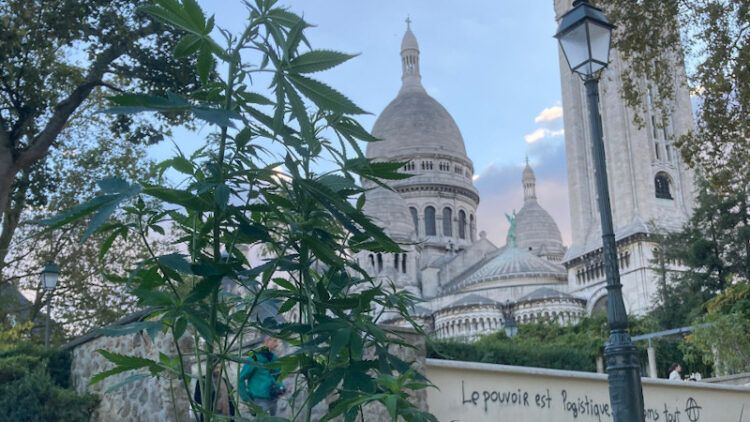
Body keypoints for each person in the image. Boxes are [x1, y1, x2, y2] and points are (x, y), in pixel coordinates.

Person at [239, 336, 286, 416]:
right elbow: (241, 378)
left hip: (273, 397)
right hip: (259, 398)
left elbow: (277, 376)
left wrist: (281, 387)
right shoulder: (254, 358)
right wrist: (246, 397)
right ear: (267, 341)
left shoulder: (274, 358)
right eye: (274, 341)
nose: (277, 344)